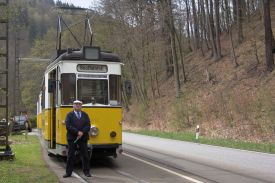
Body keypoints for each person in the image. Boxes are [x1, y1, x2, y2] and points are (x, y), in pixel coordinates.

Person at [63, 100, 92, 178]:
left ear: (81, 106)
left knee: (85, 156)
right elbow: (68, 126)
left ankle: (86, 172)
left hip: (83, 138)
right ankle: (68, 173)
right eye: (76, 104)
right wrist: (77, 132)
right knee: (70, 156)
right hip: (72, 138)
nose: (78, 106)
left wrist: (82, 132)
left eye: (79, 104)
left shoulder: (85, 115)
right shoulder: (69, 115)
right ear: (73, 106)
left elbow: (88, 125)